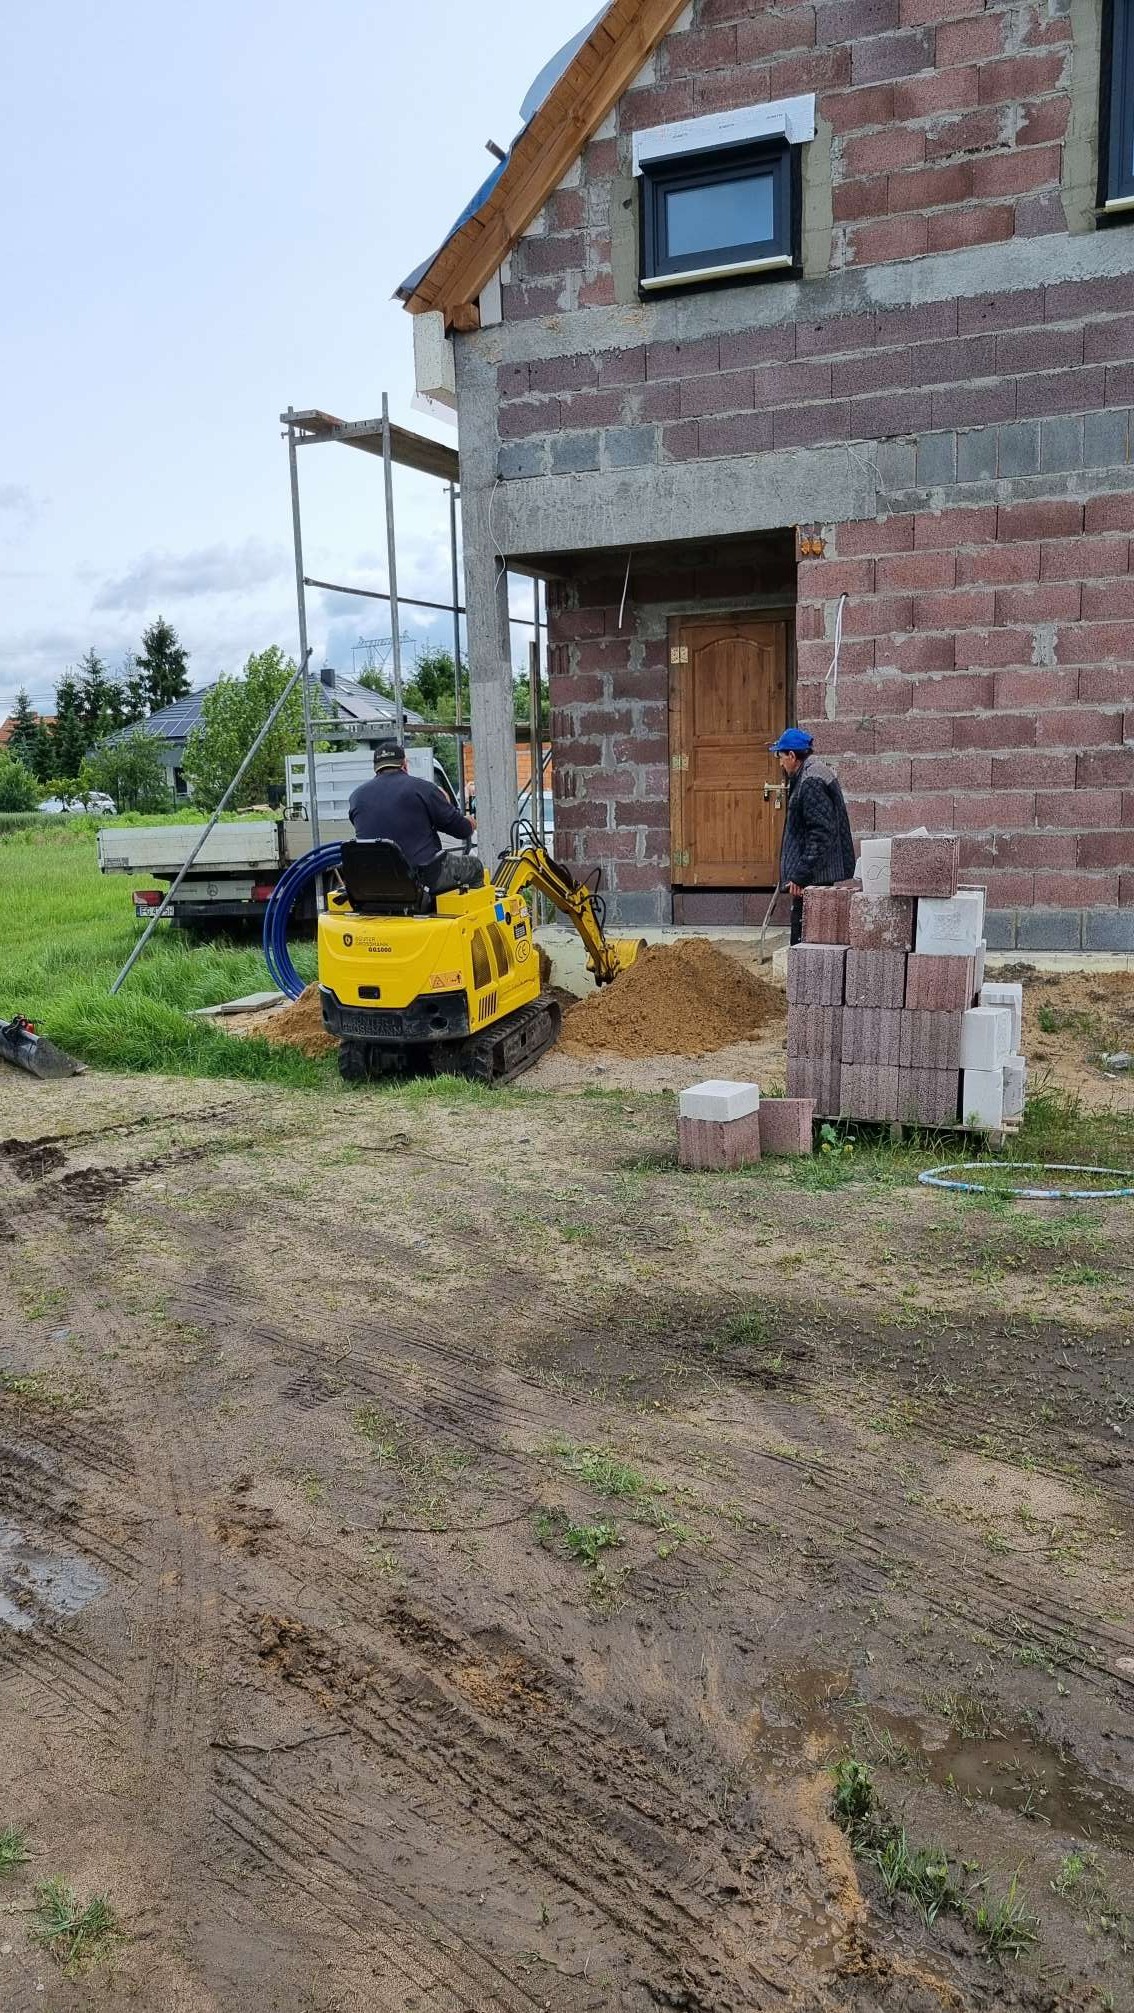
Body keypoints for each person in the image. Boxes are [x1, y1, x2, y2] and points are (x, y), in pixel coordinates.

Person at [348, 739, 482, 893]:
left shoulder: (356, 797)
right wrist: (470, 822)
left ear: (376, 768)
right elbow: (461, 830)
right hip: (423, 878)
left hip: (373, 880)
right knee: (475, 866)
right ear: (405, 764)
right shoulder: (423, 789)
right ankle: (473, 915)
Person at [769, 727, 856, 945]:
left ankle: (803, 976)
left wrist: (800, 875)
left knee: (805, 936)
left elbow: (820, 834)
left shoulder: (811, 782)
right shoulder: (810, 773)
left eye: (781, 757)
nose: (780, 763)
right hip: (815, 872)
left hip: (814, 875)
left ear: (792, 755)